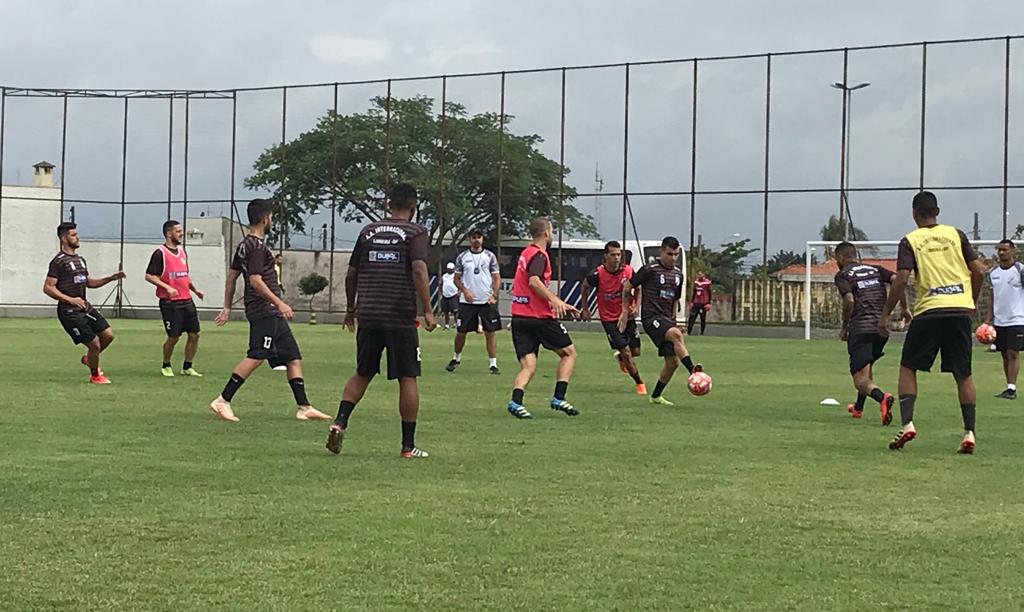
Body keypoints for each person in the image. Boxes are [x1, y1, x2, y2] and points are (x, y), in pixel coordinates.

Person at [326, 183, 437, 458]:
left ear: (389, 205)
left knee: (363, 372)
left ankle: (340, 421)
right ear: (413, 207)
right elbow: (419, 270)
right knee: (407, 376)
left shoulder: (367, 232)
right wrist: (428, 310)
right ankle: (407, 446)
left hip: (369, 313)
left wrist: (351, 309)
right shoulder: (415, 232)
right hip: (399, 315)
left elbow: (351, 274)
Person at [879, 191, 989, 454]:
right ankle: (969, 432)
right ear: (937, 211)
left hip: (930, 311)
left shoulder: (910, 240)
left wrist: (885, 314)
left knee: (908, 367)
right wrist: (971, 300)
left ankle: (907, 424)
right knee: (963, 373)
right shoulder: (956, 234)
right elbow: (980, 270)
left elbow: (902, 279)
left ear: (914, 213)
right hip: (960, 311)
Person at [209, 198, 330, 423]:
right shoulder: (256, 247)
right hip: (264, 309)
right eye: (272, 216)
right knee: (257, 355)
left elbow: (232, 276)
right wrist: (279, 302)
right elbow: (254, 280)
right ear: (265, 218)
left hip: (270, 311)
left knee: (293, 357)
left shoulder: (244, 245)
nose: (272, 220)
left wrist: (227, 306)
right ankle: (222, 400)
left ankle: (304, 406)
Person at [506, 217, 580, 419]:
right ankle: (559, 397)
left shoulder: (525, 253)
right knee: (569, 353)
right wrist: (556, 301)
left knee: (528, 366)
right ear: (546, 233)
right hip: (538, 317)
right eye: (552, 231)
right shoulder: (540, 255)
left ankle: (516, 401)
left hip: (519, 316)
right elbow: (534, 282)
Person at [621, 236, 704, 406]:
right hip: (651, 318)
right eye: (670, 254)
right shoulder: (649, 269)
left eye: (676, 255)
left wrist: (674, 320)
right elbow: (628, 286)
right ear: (661, 251)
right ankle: (693, 372)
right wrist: (625, 309)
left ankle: (656, 396)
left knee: (672, 363)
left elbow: (674, 300)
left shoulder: (678, 275)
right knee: (675, 335)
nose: (673, 258)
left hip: (667, 319)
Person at [833, 241, 907, 422]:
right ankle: (858, 408)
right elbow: (898, 280)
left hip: (861, 328)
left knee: (859, 379)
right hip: (881, 328)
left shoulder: (842, 275)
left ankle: (882, 397)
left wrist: (844, 327)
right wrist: (905, 308)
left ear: (841, 258)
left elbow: (849, 300)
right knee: (867, 367)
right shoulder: (876, 269)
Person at [43, 222, 126, 384]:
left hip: (84, 307)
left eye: (77, 234)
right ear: (63, 238)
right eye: (73, 235)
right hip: (69, 312)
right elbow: (48, 288)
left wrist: (110, 278)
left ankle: (90, 359)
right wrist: (70, 299)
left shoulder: (80, 260)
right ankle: (95, 375)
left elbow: (88, 282)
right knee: (94, 343)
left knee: (108, 335)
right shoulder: (58, 262)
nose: (77, 237)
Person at [580, 240, 647, 395]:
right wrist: (585, 309)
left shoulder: (628, 272)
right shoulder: (598, 274)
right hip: (609, 319)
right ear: (606, 256)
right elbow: (584, 286)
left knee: (635, 351)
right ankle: (640, 384)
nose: (616, 258)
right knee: (627, 353)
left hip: (627, 317)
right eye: (613, 255)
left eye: (618, 254)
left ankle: (621, 358)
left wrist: (636, 306)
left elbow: (638, 288)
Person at [144, 220, 205, 377]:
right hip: (170, 303)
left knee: (195, 334)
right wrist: (167, 287)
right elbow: (149, 276)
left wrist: (195, 290)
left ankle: (188, 366)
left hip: (187, 300)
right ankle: (166, 364)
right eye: (178, 231)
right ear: (169, 233)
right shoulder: (160, 253)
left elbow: (184, 275)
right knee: (174, 336)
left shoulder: (182, 252)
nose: (181, 234)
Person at [446, 229, 502, 375]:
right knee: (461, 332)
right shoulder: (462, 257)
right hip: (467, 302)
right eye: (473, 237)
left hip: (486, 301)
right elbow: (456, 278)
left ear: (482, 239)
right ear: (469, 240)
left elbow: (496, 278)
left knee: (490, 332)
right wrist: (465, 291)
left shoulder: (490, 256)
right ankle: (456, 358)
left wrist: (494, 295)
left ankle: (493, 364)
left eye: (479, 237)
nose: (476, 240)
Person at [984, 239, 1024, 399]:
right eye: (999, 250)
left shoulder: (1020, 270)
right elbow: (992, 297)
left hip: (1017, 319)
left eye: (1005, 250)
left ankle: (1012, 389)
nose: (1001, 253)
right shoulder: (993, 273)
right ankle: (1008, 386)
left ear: (1012, 251)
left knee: (1013, 352)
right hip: (1000, 321)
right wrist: (988, 320)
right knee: (1004, 354)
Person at [440, 262, 459, 330]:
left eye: (451, 269)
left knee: (455, 311)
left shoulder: (456, 276)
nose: (449, 270)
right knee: (446, 312)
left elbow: (460, 283)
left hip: (453, 295)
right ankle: (447, 325)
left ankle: (456, 324)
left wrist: (458, 292)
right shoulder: (444, 276)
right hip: (445, 295)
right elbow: (441, 284)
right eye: (448, 269)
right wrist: (442, 292)